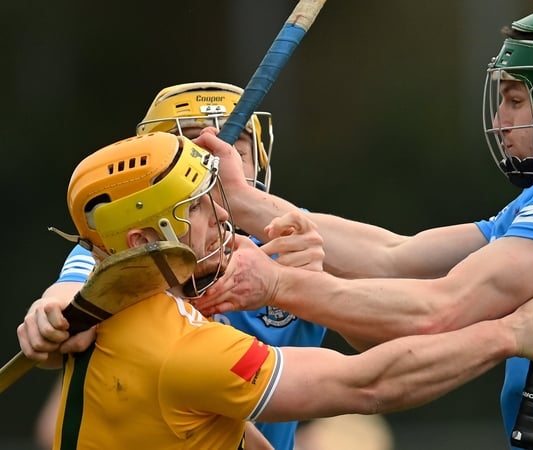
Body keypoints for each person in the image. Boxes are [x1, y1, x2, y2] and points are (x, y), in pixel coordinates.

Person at [190, 10, 533, 449]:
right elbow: (397, 255)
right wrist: (245, 203)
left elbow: (439, 311)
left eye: (515, 99)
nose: (502, 118)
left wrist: (280, 285)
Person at [19, 130, 533, 448]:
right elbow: (371, 383)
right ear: (143, 237)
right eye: (199, 209)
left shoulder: (111, 301)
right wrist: (507, 334)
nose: (222, 218)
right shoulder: (180, 349)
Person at [24, 82, 325, 450]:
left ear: (260, 161)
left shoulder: (296, 237)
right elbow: (71, 295)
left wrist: (317, 289)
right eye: (192, 147)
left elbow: (379, 320)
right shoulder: (128, 247)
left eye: (235, 150)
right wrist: (51, 314)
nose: (213, 162)